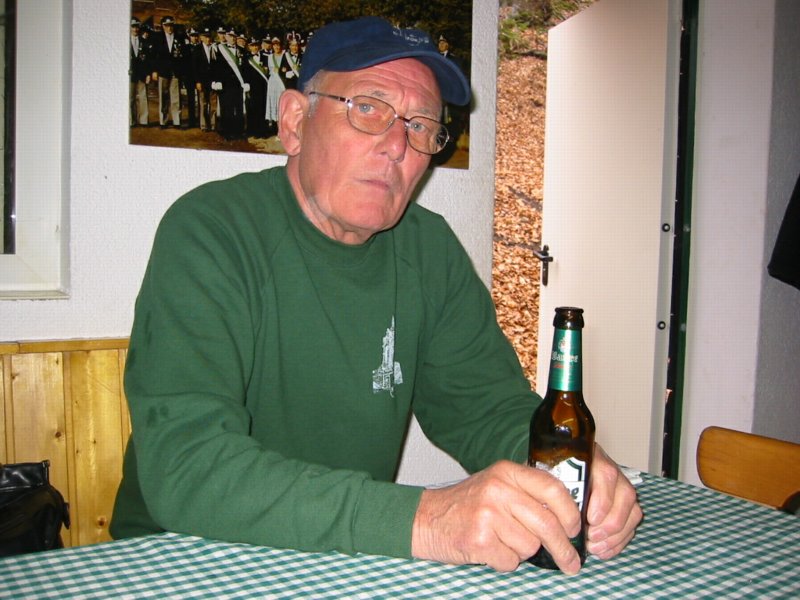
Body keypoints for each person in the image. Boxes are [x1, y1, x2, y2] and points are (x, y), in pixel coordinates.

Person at [111, 16, 641, 574]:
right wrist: (427, 520)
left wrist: (565, 467)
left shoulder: (429, 250)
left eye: (421, 126)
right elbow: (189, 467)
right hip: (182, 558)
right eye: (367, 108)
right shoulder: (211, 231)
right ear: (294, 121)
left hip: (343, 562)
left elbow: (486, 407)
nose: (395, 146)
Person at [129, 18, 150, 127]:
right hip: (130, 74)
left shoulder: (144, 41)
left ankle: (143, 120)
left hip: (142, 73)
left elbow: (148, 60)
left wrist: (148, 74)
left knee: (143, 97)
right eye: (133, 27)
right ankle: (131, 120)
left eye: (137, 27)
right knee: (131, 98)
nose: (135, 29)